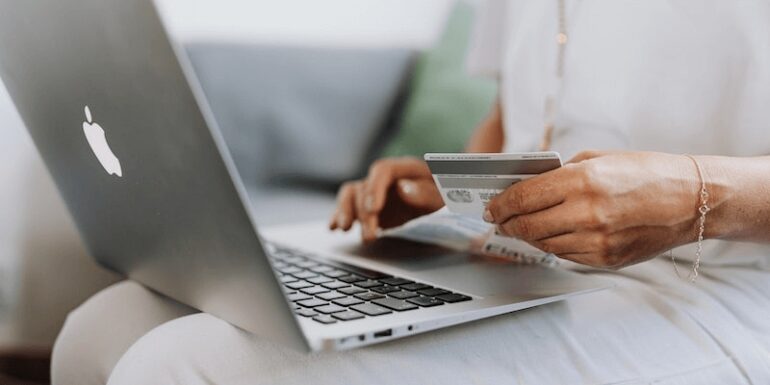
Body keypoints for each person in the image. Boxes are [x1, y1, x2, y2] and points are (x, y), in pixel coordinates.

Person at [53, 1, 770, 384]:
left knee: (176, 369)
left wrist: (695, 194)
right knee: (103, 329)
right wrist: (454, 187)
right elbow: (511, 115)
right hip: (520, 262)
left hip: (708, 287)